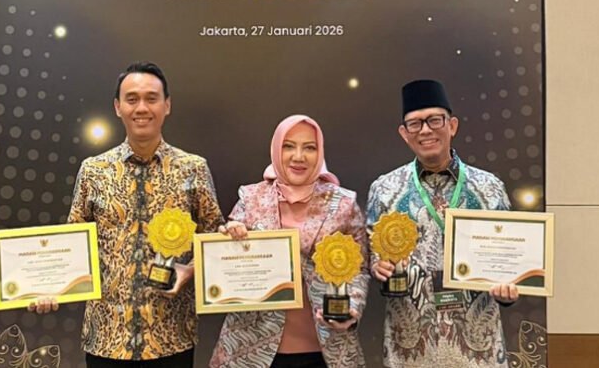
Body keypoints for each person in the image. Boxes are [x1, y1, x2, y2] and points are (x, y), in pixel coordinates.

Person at [30, 62, 224, 367]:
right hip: (107, 339)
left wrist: (190, 271)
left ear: (167, 105)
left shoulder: (193, 169)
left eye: (151, 98)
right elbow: (71, 244)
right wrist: (48, 288)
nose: (141, 108)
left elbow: (214, 237)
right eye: (132, 99)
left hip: (171, 338)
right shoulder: (94, 171)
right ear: (117, 107)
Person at [366, 79, 519, 368]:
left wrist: (508, 289)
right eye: (415, 123)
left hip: (476, 350)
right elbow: (373, 257)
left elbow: (508, 261)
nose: (425, 130)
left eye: (434, 120)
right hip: (410, 349)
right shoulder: (384, 189)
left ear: (452, 126)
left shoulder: (489, 187)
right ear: (404, 134)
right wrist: (378, 267)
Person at [210, 115, 369, 368]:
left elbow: (359, 268)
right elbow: (226, 264)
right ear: (276, 150)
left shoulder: (344, 203)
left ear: (320, 153)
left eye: (309, 147)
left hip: (327, 349)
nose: (298, 156)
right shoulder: (251, 198)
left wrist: (353, 308)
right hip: (251, 350)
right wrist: (230, 238)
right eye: (288, 146)